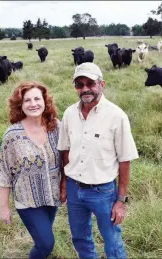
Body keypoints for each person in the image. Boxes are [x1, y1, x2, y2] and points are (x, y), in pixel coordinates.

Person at [57, 62, 139, 259]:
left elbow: (125, 161)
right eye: (79, 84)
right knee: (80, 238)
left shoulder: (116, 116)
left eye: (90, 83)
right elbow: (65, 151)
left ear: (102, 84)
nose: (85, 89)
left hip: (103, 191)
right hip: (75, 190)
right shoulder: (69, 113)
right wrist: (64, 184)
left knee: (112, 241)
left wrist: (120, 200)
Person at [0, 81, 61, 259]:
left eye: (37, 99)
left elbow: (68, 158)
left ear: (45, 101)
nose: (33, 104)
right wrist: (4, 207)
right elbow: (4, 174)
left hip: (51, 198)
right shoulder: (12, 136)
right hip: (27, 201)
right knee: (46, 244)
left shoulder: (55, 127)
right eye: (27, 100)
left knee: (42, 241)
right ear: (20, 105)